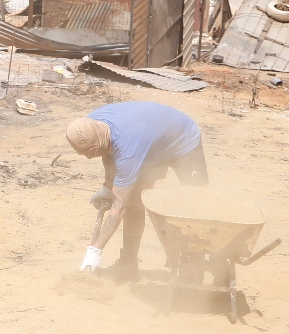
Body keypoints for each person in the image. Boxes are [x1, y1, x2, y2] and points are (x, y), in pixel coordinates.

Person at [66, 102, 208, 283]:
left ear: (95, 145)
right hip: (150, 144)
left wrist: (95, 251)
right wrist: (107, 187)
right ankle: (128, 264)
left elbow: (119, 207)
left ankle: (193, 269)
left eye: (88, 152)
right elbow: (107, 153)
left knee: (198, 203)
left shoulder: (127, 152)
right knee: (134, 203)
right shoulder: (91, 125)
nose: (86, 157)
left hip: (182, 139)